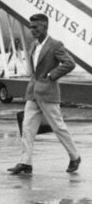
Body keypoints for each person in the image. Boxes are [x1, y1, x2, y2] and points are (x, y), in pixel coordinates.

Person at [8, 13, 81, 175]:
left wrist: (52, 75)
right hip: (33, 93)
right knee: (27, 127)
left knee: (58, 127)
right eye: (31, 27)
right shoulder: (34, 45)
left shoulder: (55, 45)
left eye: (36, 27)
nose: (32, 30)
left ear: (45, 27)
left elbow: (70, 63)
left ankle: (74, 156)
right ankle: (25, 162)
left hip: (48, 93)